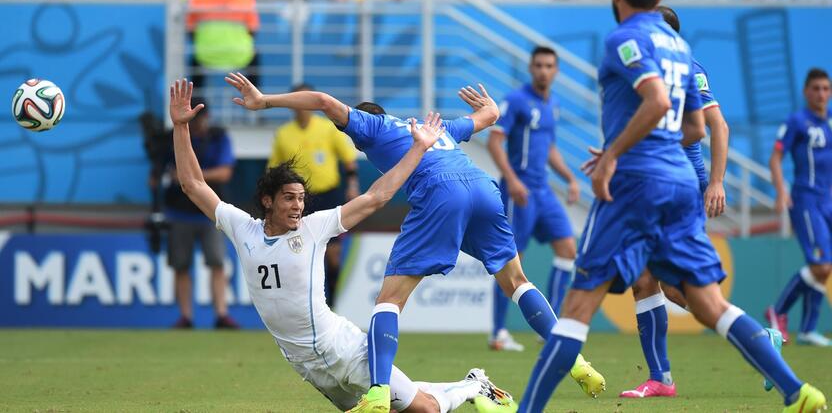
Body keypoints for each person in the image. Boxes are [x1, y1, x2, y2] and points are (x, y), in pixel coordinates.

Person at [473, 0, 827, 413]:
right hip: (680, 182)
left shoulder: (623, 39)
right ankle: (797, 390)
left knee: (579, 306)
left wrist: (615, 154)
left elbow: (657, 100)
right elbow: (695, 124)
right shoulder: (680, 49)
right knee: (706, 302)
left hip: (637, 183)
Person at [224, 73, 606, 412]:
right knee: (517, 281)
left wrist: (264, 101)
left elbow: (323, 102)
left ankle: (377, 392)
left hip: (441, 193)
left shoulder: (370, 128)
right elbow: (489, 117)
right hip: (482, 187)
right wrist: (491, 108)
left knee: (389, 300)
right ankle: (574, 358)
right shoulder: (432, 126)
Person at [167, 78, 512, 412]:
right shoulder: (244, 230)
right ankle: (463, 384)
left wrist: (419, 148)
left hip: (344, 350)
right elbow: (193, 184)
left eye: (301, 199)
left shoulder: (315, 228)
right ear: (267, 201)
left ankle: (474, 385)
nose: (298, 206)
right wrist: (181, 127)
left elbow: (376, 197)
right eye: (289, 198)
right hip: (308, 367)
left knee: (424, 411)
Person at [617, 4, 737, 399]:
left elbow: (713, 126)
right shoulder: (657, 69)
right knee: (656, 283)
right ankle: (661, 378)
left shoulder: (688, 67)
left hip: (677, 182)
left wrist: (716, 182)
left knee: (659, 282)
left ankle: (750, 335)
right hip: (662, 180)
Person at [486, 46, 580, 352]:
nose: (543, 70)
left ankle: (550, 326)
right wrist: (512, 180)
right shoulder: (516, 101)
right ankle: (498, 333)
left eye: (549, 65)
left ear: (556, 70)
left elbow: (549, 147)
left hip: (544, 191)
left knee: (568, 249)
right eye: (538, 65)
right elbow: (495, 141)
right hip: (520, 189)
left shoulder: (553, 103)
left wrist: (569, 177)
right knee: (512, 262)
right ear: (530, 68)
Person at [268, 83, 360, 307]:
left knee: (333, 254)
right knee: (299, 251)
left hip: (328, 195)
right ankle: (305, 302)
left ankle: (335, 303)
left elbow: (349, 159)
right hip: (299, 201)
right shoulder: (283, 134)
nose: (302, 107)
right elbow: (273, 170)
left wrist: (352, 183)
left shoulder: (328, 129)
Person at [766, 68, 832, 348]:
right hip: (806, 200)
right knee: (822, 265)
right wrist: (781, 191)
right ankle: (777, 311)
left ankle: (807, 329)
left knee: (823, 266)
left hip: (828, 202)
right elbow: (775, 158)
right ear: (806, 92)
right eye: (816, 88)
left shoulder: (829, 122)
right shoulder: (796, 121)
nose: (821, 94)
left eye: (826, 89)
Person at [162, 102, 239, 329]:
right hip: (179, 212)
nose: (198, 123)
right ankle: (186, 316)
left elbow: (225, 172)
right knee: (181, 265)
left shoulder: (218, 137)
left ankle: (221, 313)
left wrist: (193, 178)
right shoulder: (173, 137)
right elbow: (164, 170)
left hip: (211, 213)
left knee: (217, 262)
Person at [186, 0, 259, 95]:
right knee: (256, 59)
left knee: (194, 66)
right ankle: (255, 105)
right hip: (240, 55)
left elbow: (190, 30)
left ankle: (195, 108)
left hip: (206, 54)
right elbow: (253, 30)